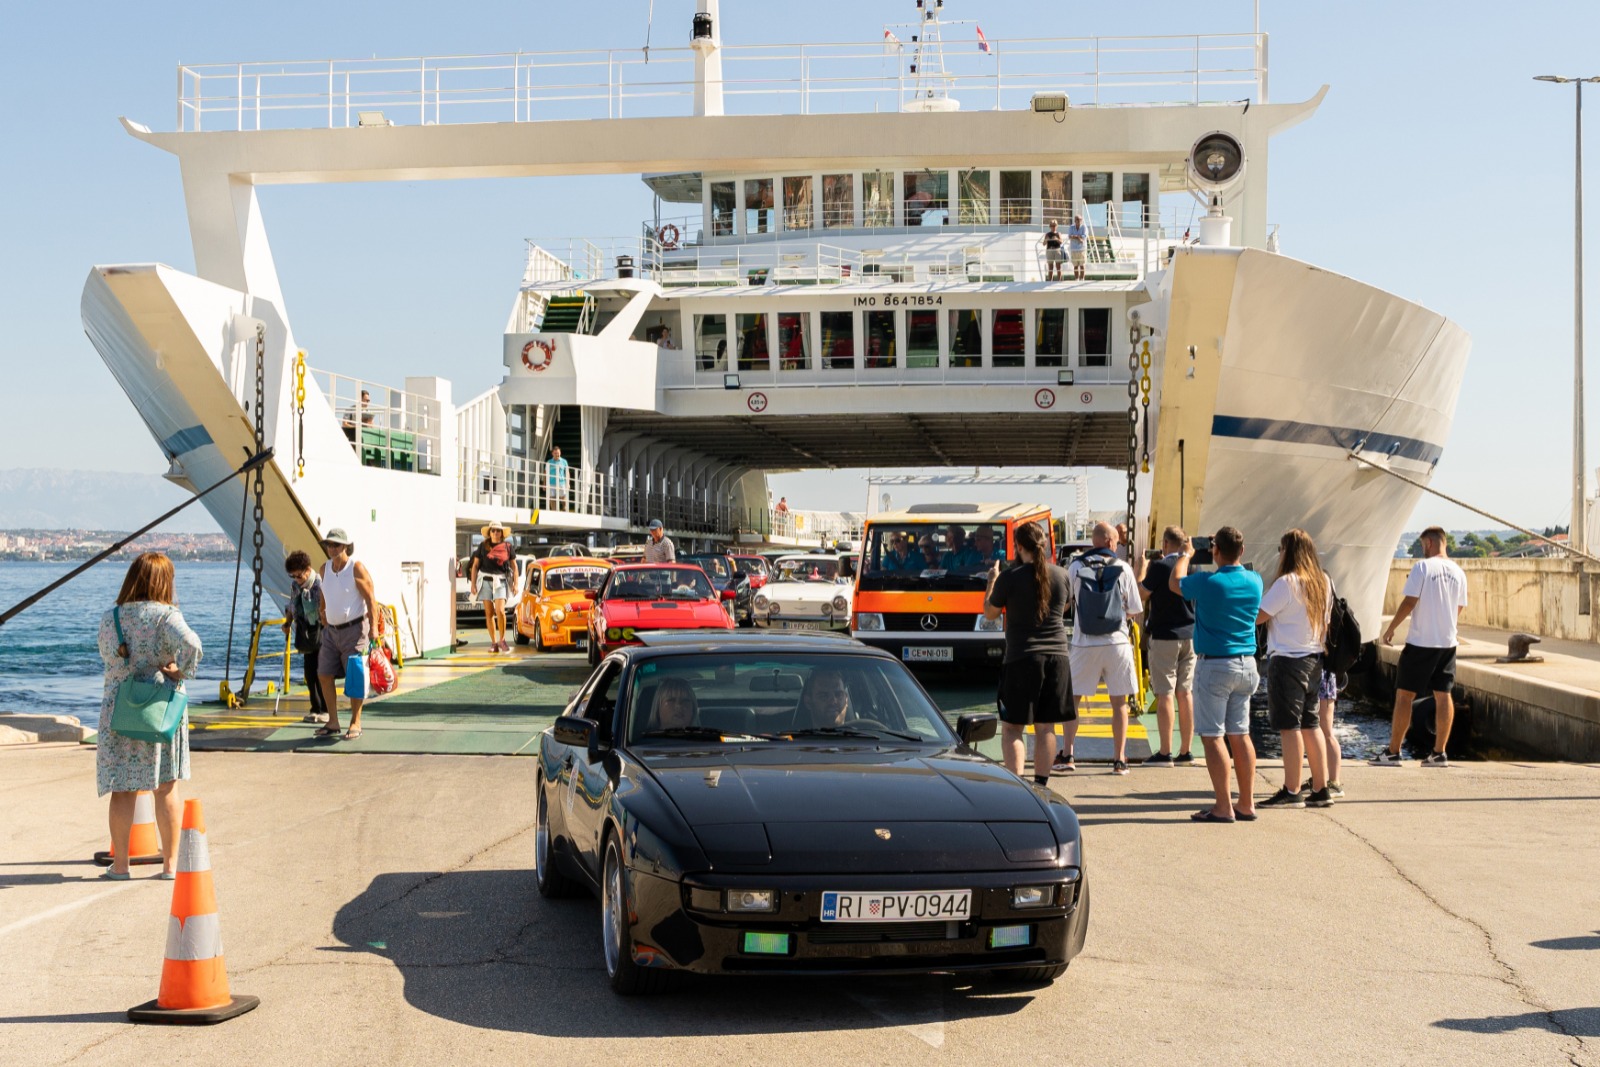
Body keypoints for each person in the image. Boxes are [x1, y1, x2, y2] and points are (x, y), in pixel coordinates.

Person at [96, 552, 202, 879]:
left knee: (122, 789)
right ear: (164, 582)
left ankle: (122, 865)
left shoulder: (111, 617)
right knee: (166, 787)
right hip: (159, 709)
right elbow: (193, 646)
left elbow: (108, 656)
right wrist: (179, 671)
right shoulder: (167, 616)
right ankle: (170, 866)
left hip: (121, 709)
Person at [1172, 526, 1262, 822]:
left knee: (1212, 737)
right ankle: (1246, 803)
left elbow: (1176, 583)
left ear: (1215, 550)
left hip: (1215, 666)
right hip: (1247, 665)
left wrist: (1186, 554)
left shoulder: (1207, 582)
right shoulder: (1255, 581)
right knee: (1240, 734)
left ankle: (1223, 806)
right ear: (1243, 551)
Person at [984, 522, 1074, 785]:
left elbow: (990, 613)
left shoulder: (1009, 578)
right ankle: (1041, 786)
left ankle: (1018, 788)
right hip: (1057, 658)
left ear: (1019, 546)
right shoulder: (1062, 575)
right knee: (1046, 726)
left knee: (1013, 728)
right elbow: (1065, 606)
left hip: (1022, 658)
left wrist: (991, 580)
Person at [1374, 525, 1468, 767]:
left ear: (1429, 543)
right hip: (1447, 643)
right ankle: (1439, 752)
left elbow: (1409, 601)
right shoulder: (1459, 573)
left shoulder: (1423, 567)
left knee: (1405, 695)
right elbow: (1458, 609)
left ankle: (1393, 752)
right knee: (1443, 695)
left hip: (1420, 642)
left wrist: (1392, 627)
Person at [1256, 529, 1335, 808]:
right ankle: (1321, 787)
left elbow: (1259, 616)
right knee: (1310, 724)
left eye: (1281, 549)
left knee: (1289, 728)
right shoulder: (1323, 581)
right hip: (1314, 659)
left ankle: (1291, 790)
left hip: (1288, 660)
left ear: (1288, 552)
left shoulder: (1287, 583)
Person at [1064, 522, 1143, 775]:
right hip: (1116, 643)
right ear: (1111, 542)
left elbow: (1067, 604)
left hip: (1083, 642)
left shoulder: (1075, 566)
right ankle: (1119, 759)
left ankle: (1068, 755)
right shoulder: (1123, 567)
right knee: (1119, 703)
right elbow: (1134, 609)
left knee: (1073, 700)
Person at [1138, 525, 1195, 766]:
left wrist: (1142, 569)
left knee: (1165, 694)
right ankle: (1186, 751)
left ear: (1165, 544)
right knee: (1186, 693)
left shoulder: (1160, 567)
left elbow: (1141, 594)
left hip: (1164, 637)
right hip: (1190, 636)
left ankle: (1164, 752)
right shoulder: (1192, 567)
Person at [316, 528, 379, 741]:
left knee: (355, 676)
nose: (331, 548)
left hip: (354, 630)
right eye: (329, 545)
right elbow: (324, 593)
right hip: (331, 632)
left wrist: (375, 630)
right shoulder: (324, 569)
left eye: (336, 545)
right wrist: (323, 613)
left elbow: (371, 599)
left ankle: (355, 722)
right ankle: (333, 721)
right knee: (324, 674)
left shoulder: (356, 568)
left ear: (345, 547)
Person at [281, 550, 328, 724]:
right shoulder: (295, 586)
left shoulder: (319, 584)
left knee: (321, 672)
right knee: (309, 673)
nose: (295, 579)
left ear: (307, 570)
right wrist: (287, 623)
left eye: (298, 576)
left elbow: (324, 608)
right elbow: (292, 605)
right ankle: (315, 708)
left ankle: (326, 709)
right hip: (305, 631)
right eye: (292, 576)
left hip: (320, 631)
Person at [471, 521, 519, 654]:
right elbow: (475, 566)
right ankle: (494, 642)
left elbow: (514, 567)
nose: (496, 533)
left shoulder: (508, 547)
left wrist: (516, 583)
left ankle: (502, 639)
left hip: (501, 580)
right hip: (485, 580)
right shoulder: (482, 546)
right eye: (493, 530)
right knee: (489, 613)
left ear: (502, 533)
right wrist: (473, 585)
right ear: (489, 533)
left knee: (501, 611)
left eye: (498, 530)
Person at [1067, 215, 1089, 281]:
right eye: (1077, 219)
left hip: (1081, 249)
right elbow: (1069, 236)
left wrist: (1075, 236)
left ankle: (1082, 279)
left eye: (1080, 220)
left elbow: (1084, 236)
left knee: (1082, 265)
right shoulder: (1071, 227)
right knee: (1075, 265)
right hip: (1074, 249)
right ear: (1075, 220)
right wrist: (1078, 237)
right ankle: (1076, 279)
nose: (1079, 221)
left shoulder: (1084, 227)